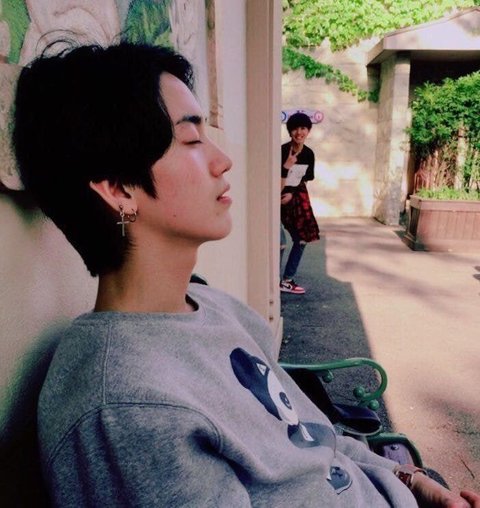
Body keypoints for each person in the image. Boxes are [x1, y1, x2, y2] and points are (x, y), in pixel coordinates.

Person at [12, 41, 480, 508]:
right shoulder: (128, 408)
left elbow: (316, 438)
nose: (223, 159)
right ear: (119, 189)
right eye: (192, 140)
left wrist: (410, 481)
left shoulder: (212, 307)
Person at [280, 112, 320, 295]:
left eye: (303, 128)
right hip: (276, 198)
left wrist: (292, 194)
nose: (299, 132)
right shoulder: (281, 151)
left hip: (295, 197)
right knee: (279, 243)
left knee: (302, 239)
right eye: (295, 128)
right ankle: (272, 282)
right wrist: (286, 167)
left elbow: (304, 179)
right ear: (290, 131)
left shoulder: (309, 154)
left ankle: (287, 280)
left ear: (308, 131)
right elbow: (274, 182)